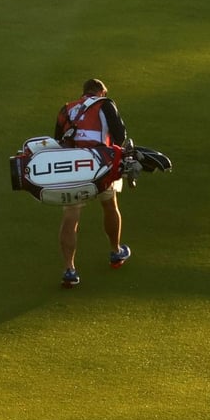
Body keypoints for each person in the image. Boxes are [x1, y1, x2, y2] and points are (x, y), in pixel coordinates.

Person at [54, 78, 131, 288]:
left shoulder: (67, 108)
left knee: (71, 217)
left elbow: (58, 139)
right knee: (110, 205)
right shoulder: (105, 105)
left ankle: (69, 269)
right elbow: (120, 135)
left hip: (73, 168)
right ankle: (116, 251)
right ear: (102, 92)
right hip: (101, 165)